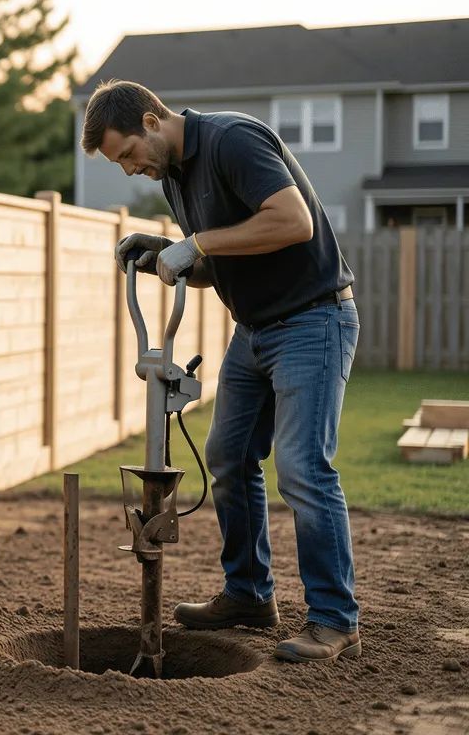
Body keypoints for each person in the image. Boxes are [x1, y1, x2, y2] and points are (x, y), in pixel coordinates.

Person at [80, 80, 361, 663]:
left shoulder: (232, 140)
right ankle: (249, 595)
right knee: (229, 457)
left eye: (129, 153)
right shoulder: (178, 176)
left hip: (312, 322)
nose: (130, 170)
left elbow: (292, 223)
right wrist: (168, 250)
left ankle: (335, 621)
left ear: (153, 119)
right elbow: (222, 260)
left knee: (304, 468)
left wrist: (197, 242)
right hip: (254, 331)